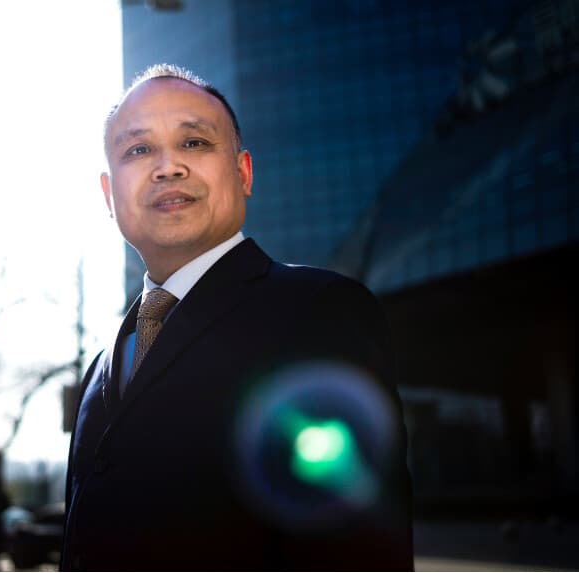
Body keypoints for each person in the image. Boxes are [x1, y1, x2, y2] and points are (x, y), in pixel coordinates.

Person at [61, 64, 413, 571]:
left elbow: (356, 544)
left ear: (244, 173)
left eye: (195, 143)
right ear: (108, 196)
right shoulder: (102, 362)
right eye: (138, 150)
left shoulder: (318, 310)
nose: (167, 167)